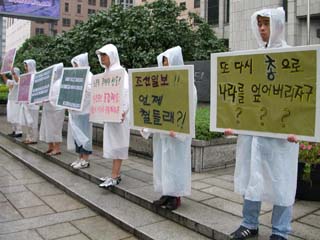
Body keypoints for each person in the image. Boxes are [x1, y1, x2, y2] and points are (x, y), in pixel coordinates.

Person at [226, 8, 299, 240]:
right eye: (259, 24)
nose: (262, 29)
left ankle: (280, 231)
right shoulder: (254, 59)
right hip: (254, 133)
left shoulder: (292, 57)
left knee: (282, 179)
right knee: (252, 177)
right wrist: (232, 122)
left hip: (281, 134)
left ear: (277, 25)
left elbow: (300, 96)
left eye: (266, 24)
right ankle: (249, 223)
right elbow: (244, 96)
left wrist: (299, 127)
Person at [140, 46, 197, 210]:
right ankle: (166, 193)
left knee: (176, 164)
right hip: (162, 134)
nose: (165, 65)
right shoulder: (160, 85)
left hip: (176, 135)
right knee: (162, 164)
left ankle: (176, 196)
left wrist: (179, 130)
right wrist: (147, 126)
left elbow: (190, 110)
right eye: (163, 62)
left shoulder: (187, 84)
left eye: (168, 61)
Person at [96, 44, 130, 188]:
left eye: (105, 55)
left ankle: (115, 176)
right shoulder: (105, 73)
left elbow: (126, 93)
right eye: (101, 55)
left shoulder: (121, 72)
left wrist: (123, 110)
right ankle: (114, 173)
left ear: (112, 55)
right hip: (109, 115)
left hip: (119, 117)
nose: (102, 58)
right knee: (112, 144)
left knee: (118, 145)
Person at [68, 53, 93, 169]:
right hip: (75, 112)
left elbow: (89, 93)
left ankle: (85, 159)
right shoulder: (74, 76)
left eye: (76, 65)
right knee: (77, 136)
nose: (74, 68)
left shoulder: (89, 77)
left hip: (85, 111)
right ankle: (79, 157)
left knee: (85, 135)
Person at [39, 63, 65, 155]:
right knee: (47, 128)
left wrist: (49, 99)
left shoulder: (61, 82)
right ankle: (50, 146)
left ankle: (57, 148)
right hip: (48, 108)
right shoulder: (50, 82)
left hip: (57, 109)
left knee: (56, 129)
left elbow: (59, 97)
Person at [19, 59, 40, 144]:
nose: (25, 68)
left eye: (26, 65)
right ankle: (28, 137)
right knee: (28, 122)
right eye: (25, 66)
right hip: (26, 103)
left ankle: (33, 138)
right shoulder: (26, 76)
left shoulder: (37, 76)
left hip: (33, 103)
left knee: (33, 121)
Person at [1, 67, 23, 138]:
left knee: (16, 116)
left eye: (14, 73)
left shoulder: (20, 80)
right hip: (10, 101)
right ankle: (14, 130)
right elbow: (6, 81)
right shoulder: (12, 81)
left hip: (16, 101)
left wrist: (13, 71)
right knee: (11, 116)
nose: (12, 74)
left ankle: (19, 131)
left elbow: (17, 81)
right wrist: (2, 74)